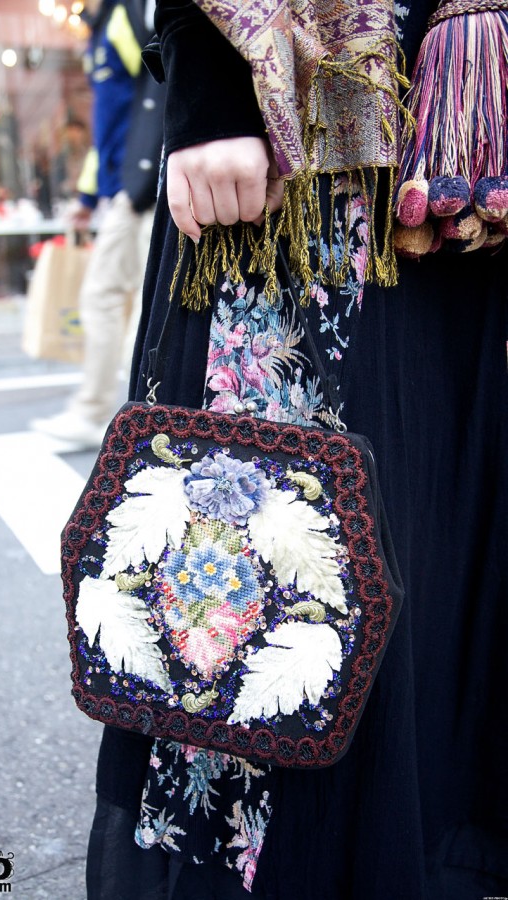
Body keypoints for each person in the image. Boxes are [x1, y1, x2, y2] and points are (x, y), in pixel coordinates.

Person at [84, 1, 508, 898]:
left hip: (453, 177)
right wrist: (213, 95)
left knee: (425, 573)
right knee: (279, 575)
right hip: (293, 159)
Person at [32, 0, 164, 448]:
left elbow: (151, 90)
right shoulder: (106, 18)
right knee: (110, 297)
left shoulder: (128, 12)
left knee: (132, 302)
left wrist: (138, 180)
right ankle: (113, 412)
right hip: (126, 183)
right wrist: (92, 193)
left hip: (144, 180)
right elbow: (109, 118)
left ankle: (127, 414)